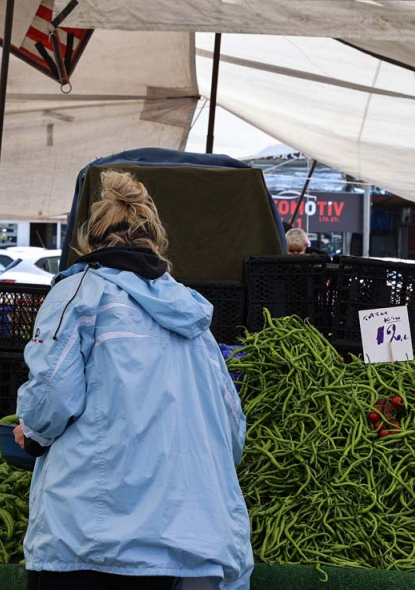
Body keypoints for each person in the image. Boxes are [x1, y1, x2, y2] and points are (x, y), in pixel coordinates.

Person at [14, 170, 252, 590]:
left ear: (89, 242)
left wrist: (31, 434)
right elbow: (233, 432)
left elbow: (51, 393)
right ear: (156, 244)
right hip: (190, 545)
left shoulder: (80, 292)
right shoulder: (194, 318)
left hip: (96, 539)